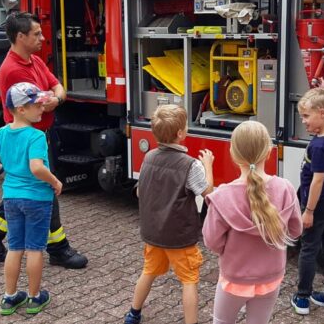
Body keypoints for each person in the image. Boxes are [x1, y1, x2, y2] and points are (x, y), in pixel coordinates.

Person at [0, 11, 88, 269]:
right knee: (45, 190)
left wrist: (54, 98)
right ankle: (58, 250)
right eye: (37, 34)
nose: (43, 38)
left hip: (34, 135)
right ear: (20, 36)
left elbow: (58, 88)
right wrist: (53, 99)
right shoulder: (12, 70)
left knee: (18, 192)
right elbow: (41, 105)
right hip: (25, 138)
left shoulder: (34, 61)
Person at [202, 121, 303, 324]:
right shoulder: (286, 188)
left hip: (234, 278)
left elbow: (212, 242)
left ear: (233, 154)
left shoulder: (222, 196)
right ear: (268, 152)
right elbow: (295, 230)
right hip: (271, 278)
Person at [124, 104, 215, 324]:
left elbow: (140, 192)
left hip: (153, 233)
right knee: (189, 280)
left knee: (148, 271)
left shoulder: (149, 157)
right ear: (181, 133)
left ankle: (133, 314)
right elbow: (208, 193)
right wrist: (208, 165)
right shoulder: (190, 165)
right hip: (179, 237)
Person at [0, 82, 62, 315]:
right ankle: (35, 297)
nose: (42, 108)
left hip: (11, 198)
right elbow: (36, 168)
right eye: (36, 105)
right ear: (21, 110)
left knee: (15, 247)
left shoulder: (3, 133)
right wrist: (54, 181)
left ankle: (10, 297)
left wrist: (0, 172)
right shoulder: (36, 136)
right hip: (37, 198)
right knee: (35, 249)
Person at [291, 80, 324, 315]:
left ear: (320, 114)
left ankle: (302, 298)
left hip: (319, 202)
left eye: (305, 116)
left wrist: (308, 211)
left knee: (309, 248)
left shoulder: (320, 146)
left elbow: (317, 180)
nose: (303, 121)